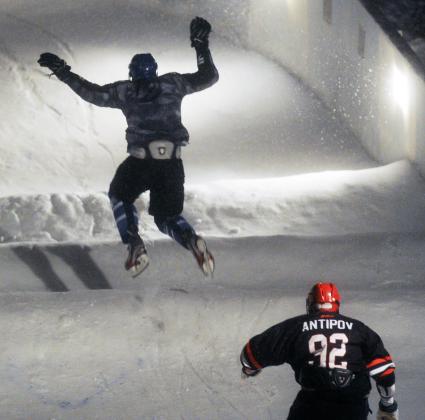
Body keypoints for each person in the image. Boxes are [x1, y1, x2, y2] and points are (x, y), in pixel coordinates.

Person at [37, 17, 218, 276]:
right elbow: (208, 76)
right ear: (155, 71)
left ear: (132, 73)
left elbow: (92, 94)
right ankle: (192, 240)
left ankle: (134, 244)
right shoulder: (173, 84)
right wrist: (201, 46)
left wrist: (64, 72)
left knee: (120, 195)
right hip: (172, 163)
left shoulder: (126, 91)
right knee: (166, 217)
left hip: (142, 160)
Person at [240, 282, 399, 420]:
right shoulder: (359, 330)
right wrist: (388, 405)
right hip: (352, 405)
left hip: (312, 405)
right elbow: (384, 371)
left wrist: (250, 368)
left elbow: (251, 354)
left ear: (310, 303)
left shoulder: (296, 327)